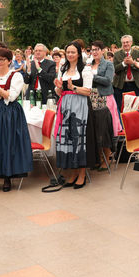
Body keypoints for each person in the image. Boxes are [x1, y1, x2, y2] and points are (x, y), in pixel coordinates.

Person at [0, 48, 33, 193]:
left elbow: (11, 96)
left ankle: (7, 177)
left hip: (10, 113)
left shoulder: (16, 76)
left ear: (9, 61)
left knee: (7, 142)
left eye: (3, 59)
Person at [53, 41, 93, 189]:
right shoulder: (62, 70)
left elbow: (88, 91)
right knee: (67, 139)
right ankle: (73, 172)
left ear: (78, 54)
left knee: (79, 138)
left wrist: (74, 87)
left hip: (80, 106)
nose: (70, 55)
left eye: (73, 52)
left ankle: (82, 173)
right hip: (65, 106)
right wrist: (58, 87)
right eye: (68, 52)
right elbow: (59, 92)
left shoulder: (85, 70)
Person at [88, 41, 120, 169]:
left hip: (105, 98)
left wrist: (92, 76)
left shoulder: (108, 64)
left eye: (97, 49)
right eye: (92, 50)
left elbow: (107, 81)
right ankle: (98, 158)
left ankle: (106, 159)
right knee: (94, 129)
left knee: (105, 129)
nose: (94, 52)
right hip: (91, 98)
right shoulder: (88, 64)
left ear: (102, 50)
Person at [112, 34, 139, 111]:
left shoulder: (138, 53)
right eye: (123, 42)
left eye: (127, 42)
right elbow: (115, 69)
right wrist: (123, 64)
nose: (125, 44)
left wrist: (132, 63)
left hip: (135, 84)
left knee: (134, 107)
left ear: (131, 43)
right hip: (121, 85)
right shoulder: (117, 54)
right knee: (121, 107)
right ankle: (121, 122)